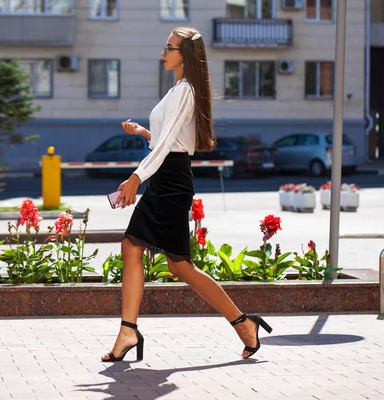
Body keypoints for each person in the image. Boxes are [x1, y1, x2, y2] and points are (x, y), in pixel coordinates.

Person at [101, 27, 272, 362]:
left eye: (170, 47)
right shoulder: (179, 89)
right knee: (165, 260)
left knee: (158, 256)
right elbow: (169, 140)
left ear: (186, 55)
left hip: (171, 184)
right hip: (167, 179)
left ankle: (241, 324)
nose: (163, 52)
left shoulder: (185, 91)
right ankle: (131, 330)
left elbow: (170, 148)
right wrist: (144, 132)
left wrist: (136, 178)